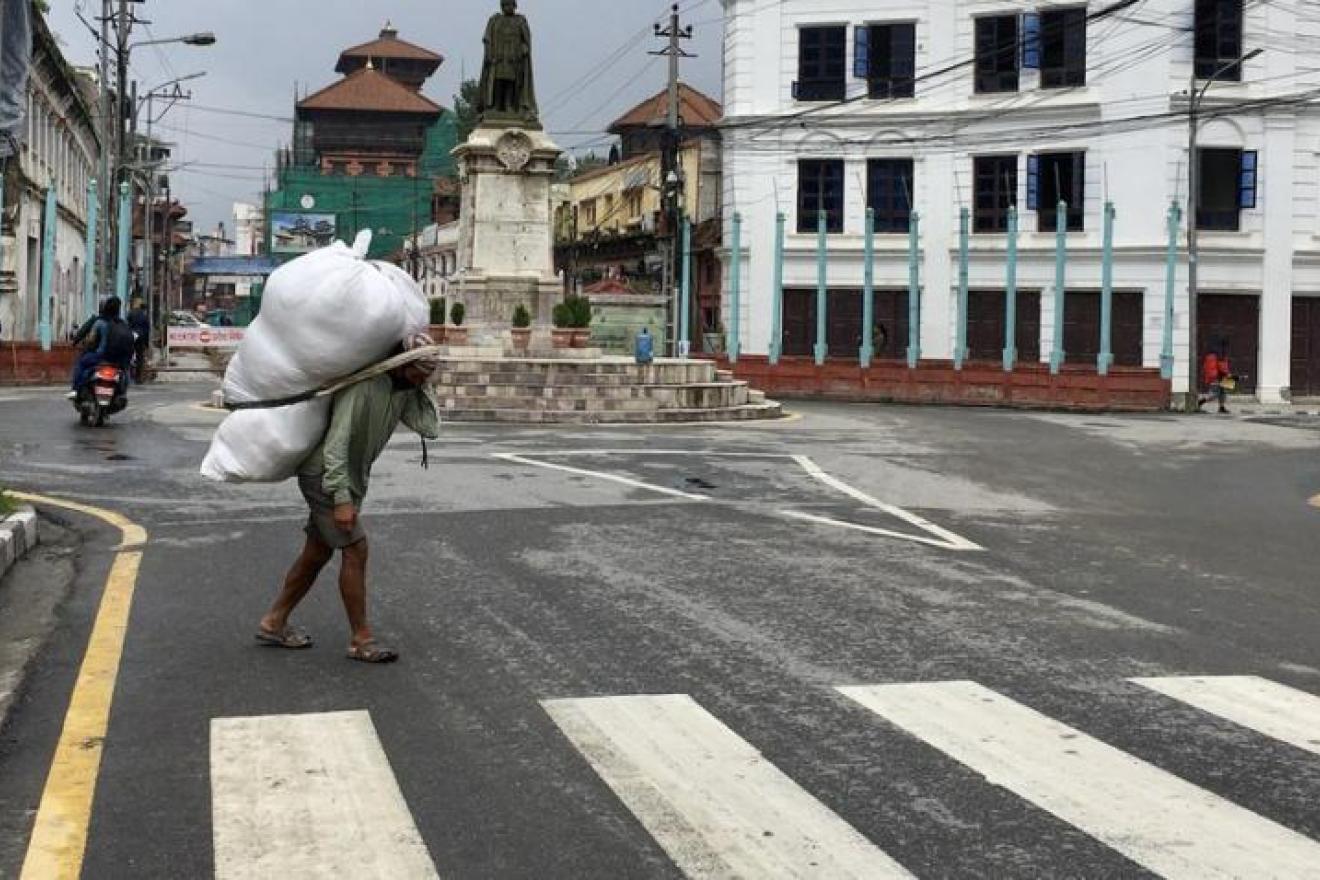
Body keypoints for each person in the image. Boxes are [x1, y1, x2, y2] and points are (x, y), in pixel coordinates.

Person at [257, 333, 442, 664]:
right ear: (401, 365)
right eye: (419, 371)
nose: (423, 377)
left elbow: (428, 427)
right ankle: (361, 639)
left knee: (316, 553)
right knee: (356, 549)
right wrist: (341, 498)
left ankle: (274, 621)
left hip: (347, 479)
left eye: (428, 373)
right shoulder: (364, 387)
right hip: (326, 477)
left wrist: (421, 387)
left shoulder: (402, 391)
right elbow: (336, 445)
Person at [67, 296, 134, 399]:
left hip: (101, 356)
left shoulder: (99, 322)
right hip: (118, 359)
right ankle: (122, 392)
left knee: (81, 363)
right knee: (125, 370)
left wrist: (83, 344)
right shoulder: (122, 324)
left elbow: (90, 339)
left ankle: (75, 389)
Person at [1197, 339, 1233, 414]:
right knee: (1215, 394)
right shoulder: (1220, 354)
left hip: (1216, 376)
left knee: (1223, 392)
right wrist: (1228, 374)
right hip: (1218, 376)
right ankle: (1200, 402)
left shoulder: (1211, 354)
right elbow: (1222, 366)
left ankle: (1221, 407)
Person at [127, 299, 151, 383]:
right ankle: (138, 378)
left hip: (131, 336)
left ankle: (129, 376)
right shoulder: (144, 316)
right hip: (141, 338)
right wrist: (147, 344)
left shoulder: (131, 314)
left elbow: (128, 326)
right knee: (139, 357)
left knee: (129, 356)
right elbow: (147, 330)